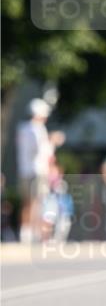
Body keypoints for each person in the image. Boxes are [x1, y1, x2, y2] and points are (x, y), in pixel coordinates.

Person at [15, 98, 52, 243]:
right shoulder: (38, 128)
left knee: (26, 203)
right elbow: (39, 148)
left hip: (24, 169)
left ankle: (25, 232)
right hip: (37, 169)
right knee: (37, 202)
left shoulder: (22, 128)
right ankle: (35, 233)